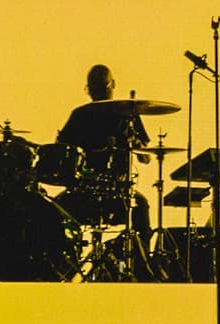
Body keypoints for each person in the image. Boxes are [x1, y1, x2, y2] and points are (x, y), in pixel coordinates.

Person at [53, 64, 154, 274]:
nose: (96, 92)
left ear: (112, 85)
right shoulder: (80, 115)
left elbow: (146, 158)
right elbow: (61, 151)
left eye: (100, 87)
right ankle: (64, 270)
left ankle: (140, 270)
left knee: (141, 207)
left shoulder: (128, 113)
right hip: (84, 191)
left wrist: (135, 142)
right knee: (53, 213)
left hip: (117, 192)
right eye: (93, 88)